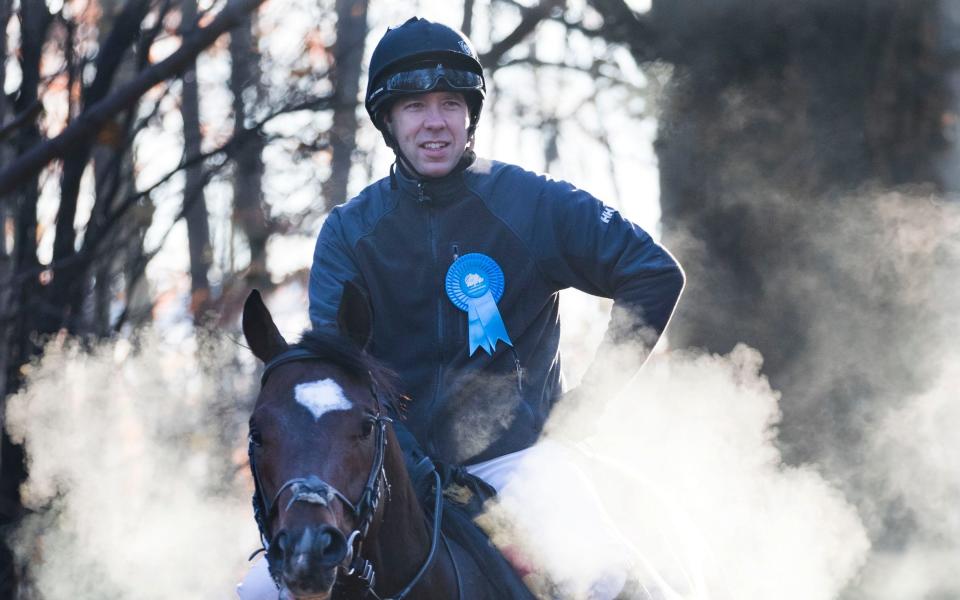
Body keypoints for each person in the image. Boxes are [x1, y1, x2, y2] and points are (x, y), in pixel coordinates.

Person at [239, 16, 684, 600]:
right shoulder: (349, 232)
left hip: (516, 463)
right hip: (390, 474)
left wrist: (591, 403)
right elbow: (338, 375)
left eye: (450, 103)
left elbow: (653, 274)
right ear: (388, 122)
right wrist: (405, 460)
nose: (434, 123)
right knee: (254, 592)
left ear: (471, 115)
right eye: (415, 106)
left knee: (601, 575)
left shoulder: (534, 203)